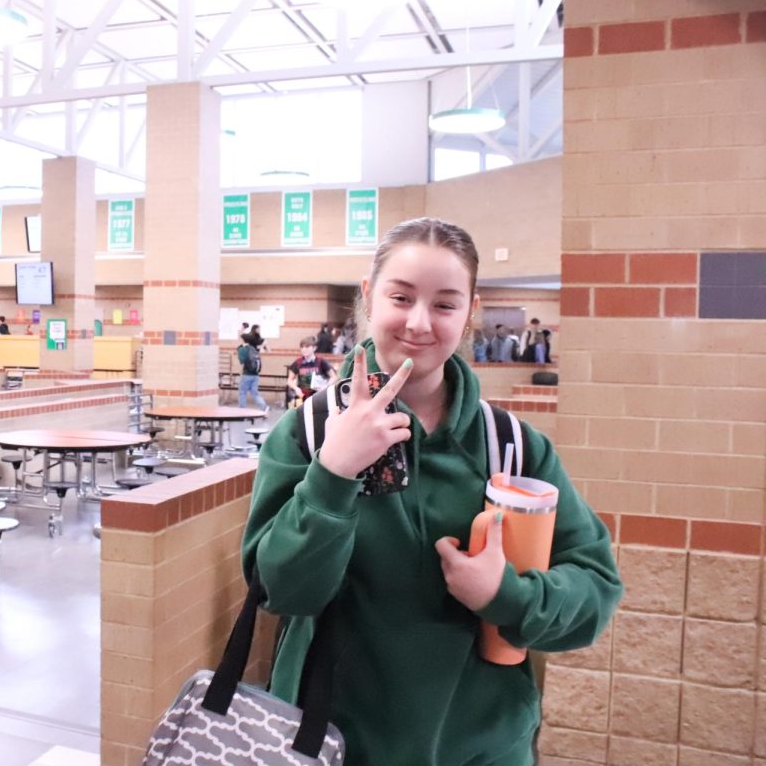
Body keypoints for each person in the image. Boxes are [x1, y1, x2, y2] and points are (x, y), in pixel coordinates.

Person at [241, 217, 621, 766]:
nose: (419, 323)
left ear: (470, 311)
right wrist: (332, 475)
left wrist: (505, 595)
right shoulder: (307, 433)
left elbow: (595, 590)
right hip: (334, 746)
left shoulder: (511, 447)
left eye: (445, 304)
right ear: (370, 297)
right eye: (401, 297)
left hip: (482, 749)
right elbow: (280, 592)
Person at [286, 335, 335, 406]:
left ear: (314, 348)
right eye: (302, 347)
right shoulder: (298, 362)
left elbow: (333, 377)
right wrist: (296, 389)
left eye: (307, 347)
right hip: (302, 396)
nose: (304, 349)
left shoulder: (321, 362)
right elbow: (289, 380)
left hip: (317, 396)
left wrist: (325, 386)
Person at [236, 332, 268, 412]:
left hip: (247, 374)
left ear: (244, 340)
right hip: (256, 375)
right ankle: (264, 407)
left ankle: (242, 410)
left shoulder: (243, 349)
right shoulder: (253, 348)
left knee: (242, 392)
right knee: (255, 393)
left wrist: (240, 349)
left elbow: (241, 361)